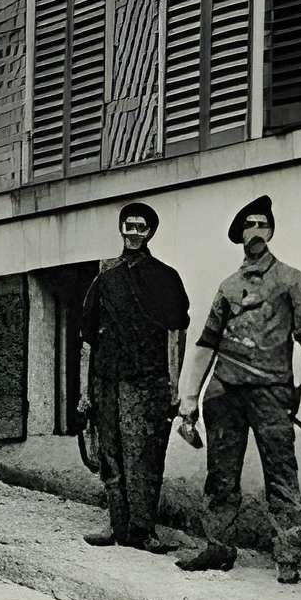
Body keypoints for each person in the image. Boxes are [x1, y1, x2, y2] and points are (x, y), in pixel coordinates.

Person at [175, 195, 301, 584]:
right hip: (225, 393)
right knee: (220, 476)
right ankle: (218, 547)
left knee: (281, 475)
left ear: (271, 232)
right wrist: (189, 399)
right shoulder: (228, 287)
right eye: (249, 226)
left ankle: (288, 556)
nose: (256, 231)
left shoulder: (292, 280)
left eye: (262, 224)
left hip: (272, 393)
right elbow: (206, 344)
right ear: (240, 235)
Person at [74, 200, 187, 552]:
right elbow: (87, 338)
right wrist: (84, 391)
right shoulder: (105, 278)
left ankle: (144, 530)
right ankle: (116, 525)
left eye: (141, 227)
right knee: (110, 453)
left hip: (147, 381)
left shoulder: (165, 277)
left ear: (150, 232)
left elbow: (176, 333)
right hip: (107, 379)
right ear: (121, 229)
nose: (133, 233)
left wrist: (174, 385)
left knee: (145, 455)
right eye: (128, 226)